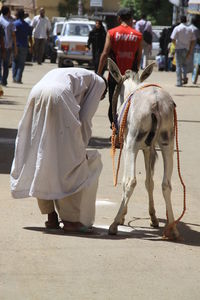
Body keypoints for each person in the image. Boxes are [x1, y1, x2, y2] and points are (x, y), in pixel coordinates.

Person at [10, 68, 106, 233]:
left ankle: (51, 216)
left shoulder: (76, 74)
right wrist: (79, 149)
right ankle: (71, 221)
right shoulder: (99, 83)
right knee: (70, 164)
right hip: (58, 95)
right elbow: (85, 118)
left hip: (36, 92)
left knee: (41, 154)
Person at [97, 7, 142, 128]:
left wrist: (99, 73)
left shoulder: (112, 33)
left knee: (114, 103)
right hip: (130, 78)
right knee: (129, 103)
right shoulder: (138, 36)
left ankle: (115, 130)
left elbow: (105, 53)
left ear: (118, 19)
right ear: (131, 19)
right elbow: (138, 58)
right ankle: (125, 129)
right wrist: (135, 72)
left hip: (114, 77)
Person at [171, 15, 196, 87]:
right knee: (185, 65)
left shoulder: (177, 28)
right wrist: (190, 50)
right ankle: (184, 77)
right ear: (186, 20)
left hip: (178, 48)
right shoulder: (190, 29)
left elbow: (173, 38)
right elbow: (193, 41)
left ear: (180, 20)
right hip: (186, 49)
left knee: (178, 65)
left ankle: (179, 82)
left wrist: (175, 45)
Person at [12, 9, 32, 84]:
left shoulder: (15, 24)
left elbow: (12, 35)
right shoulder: (27, 25)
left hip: (15, 45)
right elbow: (30, 36)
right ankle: (18, 79)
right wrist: (31, 47)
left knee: (15, 61)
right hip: (24, 46)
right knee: (21, 63)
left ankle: (14, 77)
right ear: (24, 16)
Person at [0, 5, 17, 86]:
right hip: (7, 46)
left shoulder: (0, 19)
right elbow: (13, 35)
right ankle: (3, 81)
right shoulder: (10, 22)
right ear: (8, 12)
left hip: (3, 45)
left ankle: (1, 80)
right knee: (6, 65)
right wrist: (15, 47)